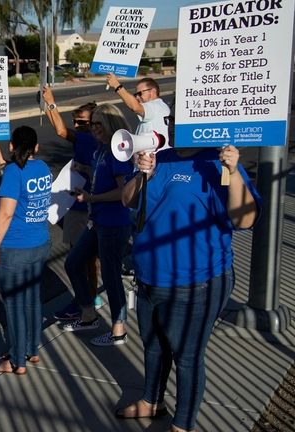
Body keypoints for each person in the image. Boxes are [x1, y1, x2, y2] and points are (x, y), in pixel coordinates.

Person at [118, 145, 260, 432]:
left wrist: (232, 171)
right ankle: (152, 401)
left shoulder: (216, 161)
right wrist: (142, 173)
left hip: (196, 282)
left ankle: (182, 425)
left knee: (187, 356)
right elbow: (127, 200)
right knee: (154, 347)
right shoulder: (161, 159)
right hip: (150, 276)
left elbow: (244, 219)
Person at [61, 104, 133, 347]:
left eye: (98, 124)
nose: (93, 129)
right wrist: (85, 171)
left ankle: (118, 330)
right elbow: (100, 175)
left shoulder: (119, 152)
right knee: (73, 262)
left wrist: (91, 198)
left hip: (114, 222)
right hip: (98, 220)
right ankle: (88, 314)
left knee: (111, 276)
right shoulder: (101, 150)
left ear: (112, 124)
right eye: (92, 124)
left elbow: (124, 192)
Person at [0, 126, 52, 375]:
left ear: (12, 146)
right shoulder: (42, 168)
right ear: (36, 147)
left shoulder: (15, 171)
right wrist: (0, 161)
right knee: (32, 298)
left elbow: (6, 213)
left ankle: (17, 360)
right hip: (40, 243)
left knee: (14, 305)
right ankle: (32, 349)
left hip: (15, 248)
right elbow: (20, 182)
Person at [41, 86, 104, 320]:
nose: (77, 127)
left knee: (76, 259)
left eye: (82, 122)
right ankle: (92, 295)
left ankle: (82, 303)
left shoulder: (86, 139)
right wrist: (48, 105)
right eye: (75, 122)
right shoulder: (96, 138)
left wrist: (51, 101)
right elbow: (62, 130)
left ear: (94, 122)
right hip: (93, 204)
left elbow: (60, 131)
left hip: (80, 206)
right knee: (90, 259)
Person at [106, 73, 171, 140]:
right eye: (136, 95)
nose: (137, 97)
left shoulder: (155, 105)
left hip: (155, 150)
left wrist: (116, 85)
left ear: (153, 92)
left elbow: (135, 107)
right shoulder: (160, 106)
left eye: (140, 93)